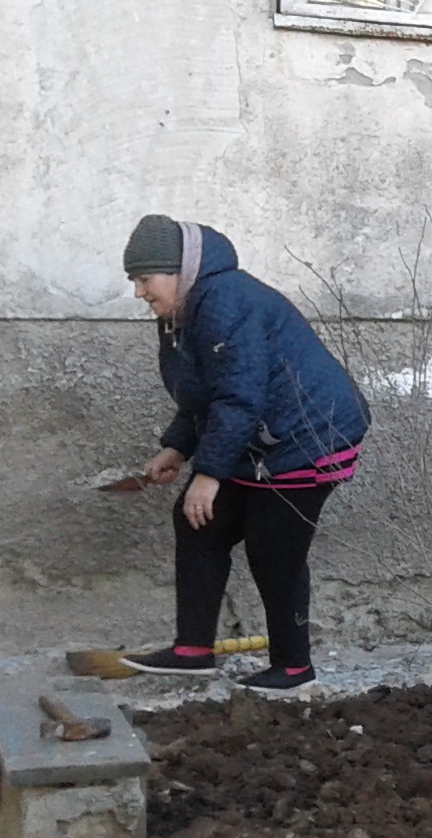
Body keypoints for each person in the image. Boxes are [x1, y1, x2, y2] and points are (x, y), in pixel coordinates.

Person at [120, 215, 367, 690]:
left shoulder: (227, 301)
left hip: (310, 436)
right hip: (260, 436)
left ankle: (294, 669)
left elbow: (239, 394)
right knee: (197, 522)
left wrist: (208, 474)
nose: (139, 292)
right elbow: (202, 393)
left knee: (273, 550)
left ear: (177, 271)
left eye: (144, 279)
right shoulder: (180, 313)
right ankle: (192, 651)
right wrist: (177, 447)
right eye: (134, 280)